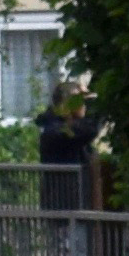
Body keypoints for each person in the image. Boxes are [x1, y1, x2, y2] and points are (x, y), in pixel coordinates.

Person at [34, 79, 98, 208]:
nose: (84, 106)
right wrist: (92, 105)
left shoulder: (61, 125)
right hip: (62, 202)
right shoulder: (55, 129)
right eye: (80, 102)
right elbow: (89, 130)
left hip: (75, 200)